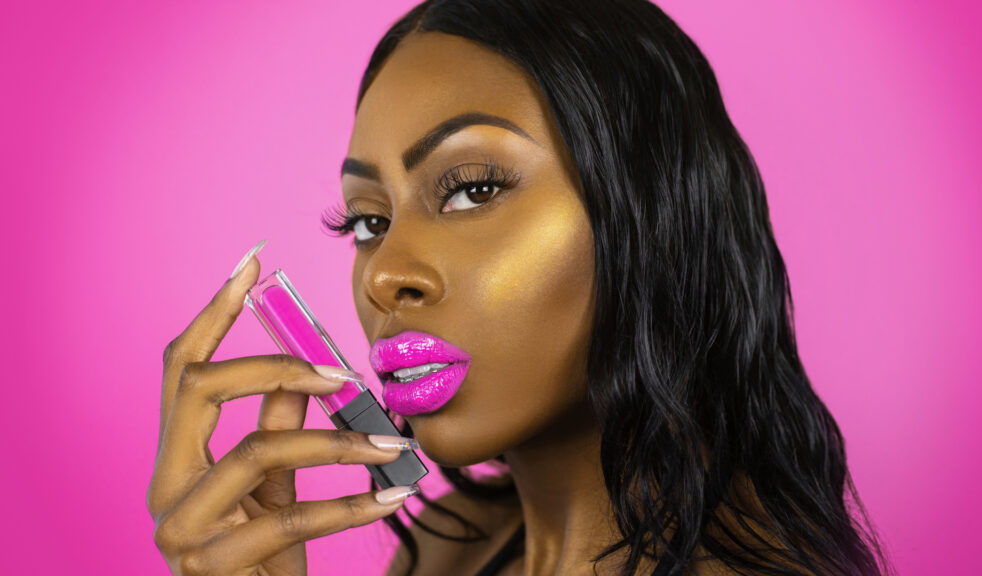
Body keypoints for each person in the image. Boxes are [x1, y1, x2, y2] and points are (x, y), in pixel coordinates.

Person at [147, 0, 890, 574]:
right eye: (369, 221)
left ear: (651, 212)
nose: (385, 275)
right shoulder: (445, 553)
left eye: (473, 189)